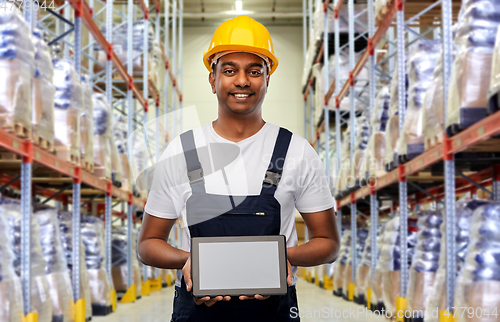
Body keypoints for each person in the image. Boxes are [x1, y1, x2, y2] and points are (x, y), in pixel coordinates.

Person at [138, 15, 340, 322]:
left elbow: (328, 243)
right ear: (212, 79)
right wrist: (191, 261)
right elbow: (148, 244)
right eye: (229, 70)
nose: (242, 81)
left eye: (254, 71)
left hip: (274, 312)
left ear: (267, 80)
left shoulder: (296, 151)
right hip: (197, 312)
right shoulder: (183, 151)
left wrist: (276, 260)